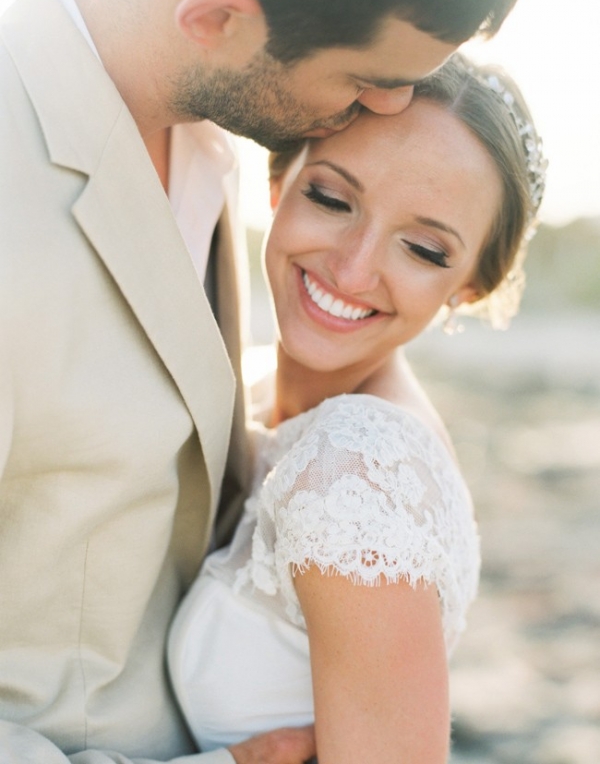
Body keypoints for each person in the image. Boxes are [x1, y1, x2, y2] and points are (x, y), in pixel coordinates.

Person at [0, 0, 528, 761]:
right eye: (368, 77)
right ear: (218, 20)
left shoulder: (215, 129)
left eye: (423, 246)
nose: (388, 104)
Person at [168, 53, 547, 763]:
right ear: (278, 181)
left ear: (465, 290)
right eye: (333, 199)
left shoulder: (357, 472)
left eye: (424, 249)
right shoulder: (249, 391)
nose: (351, 268)